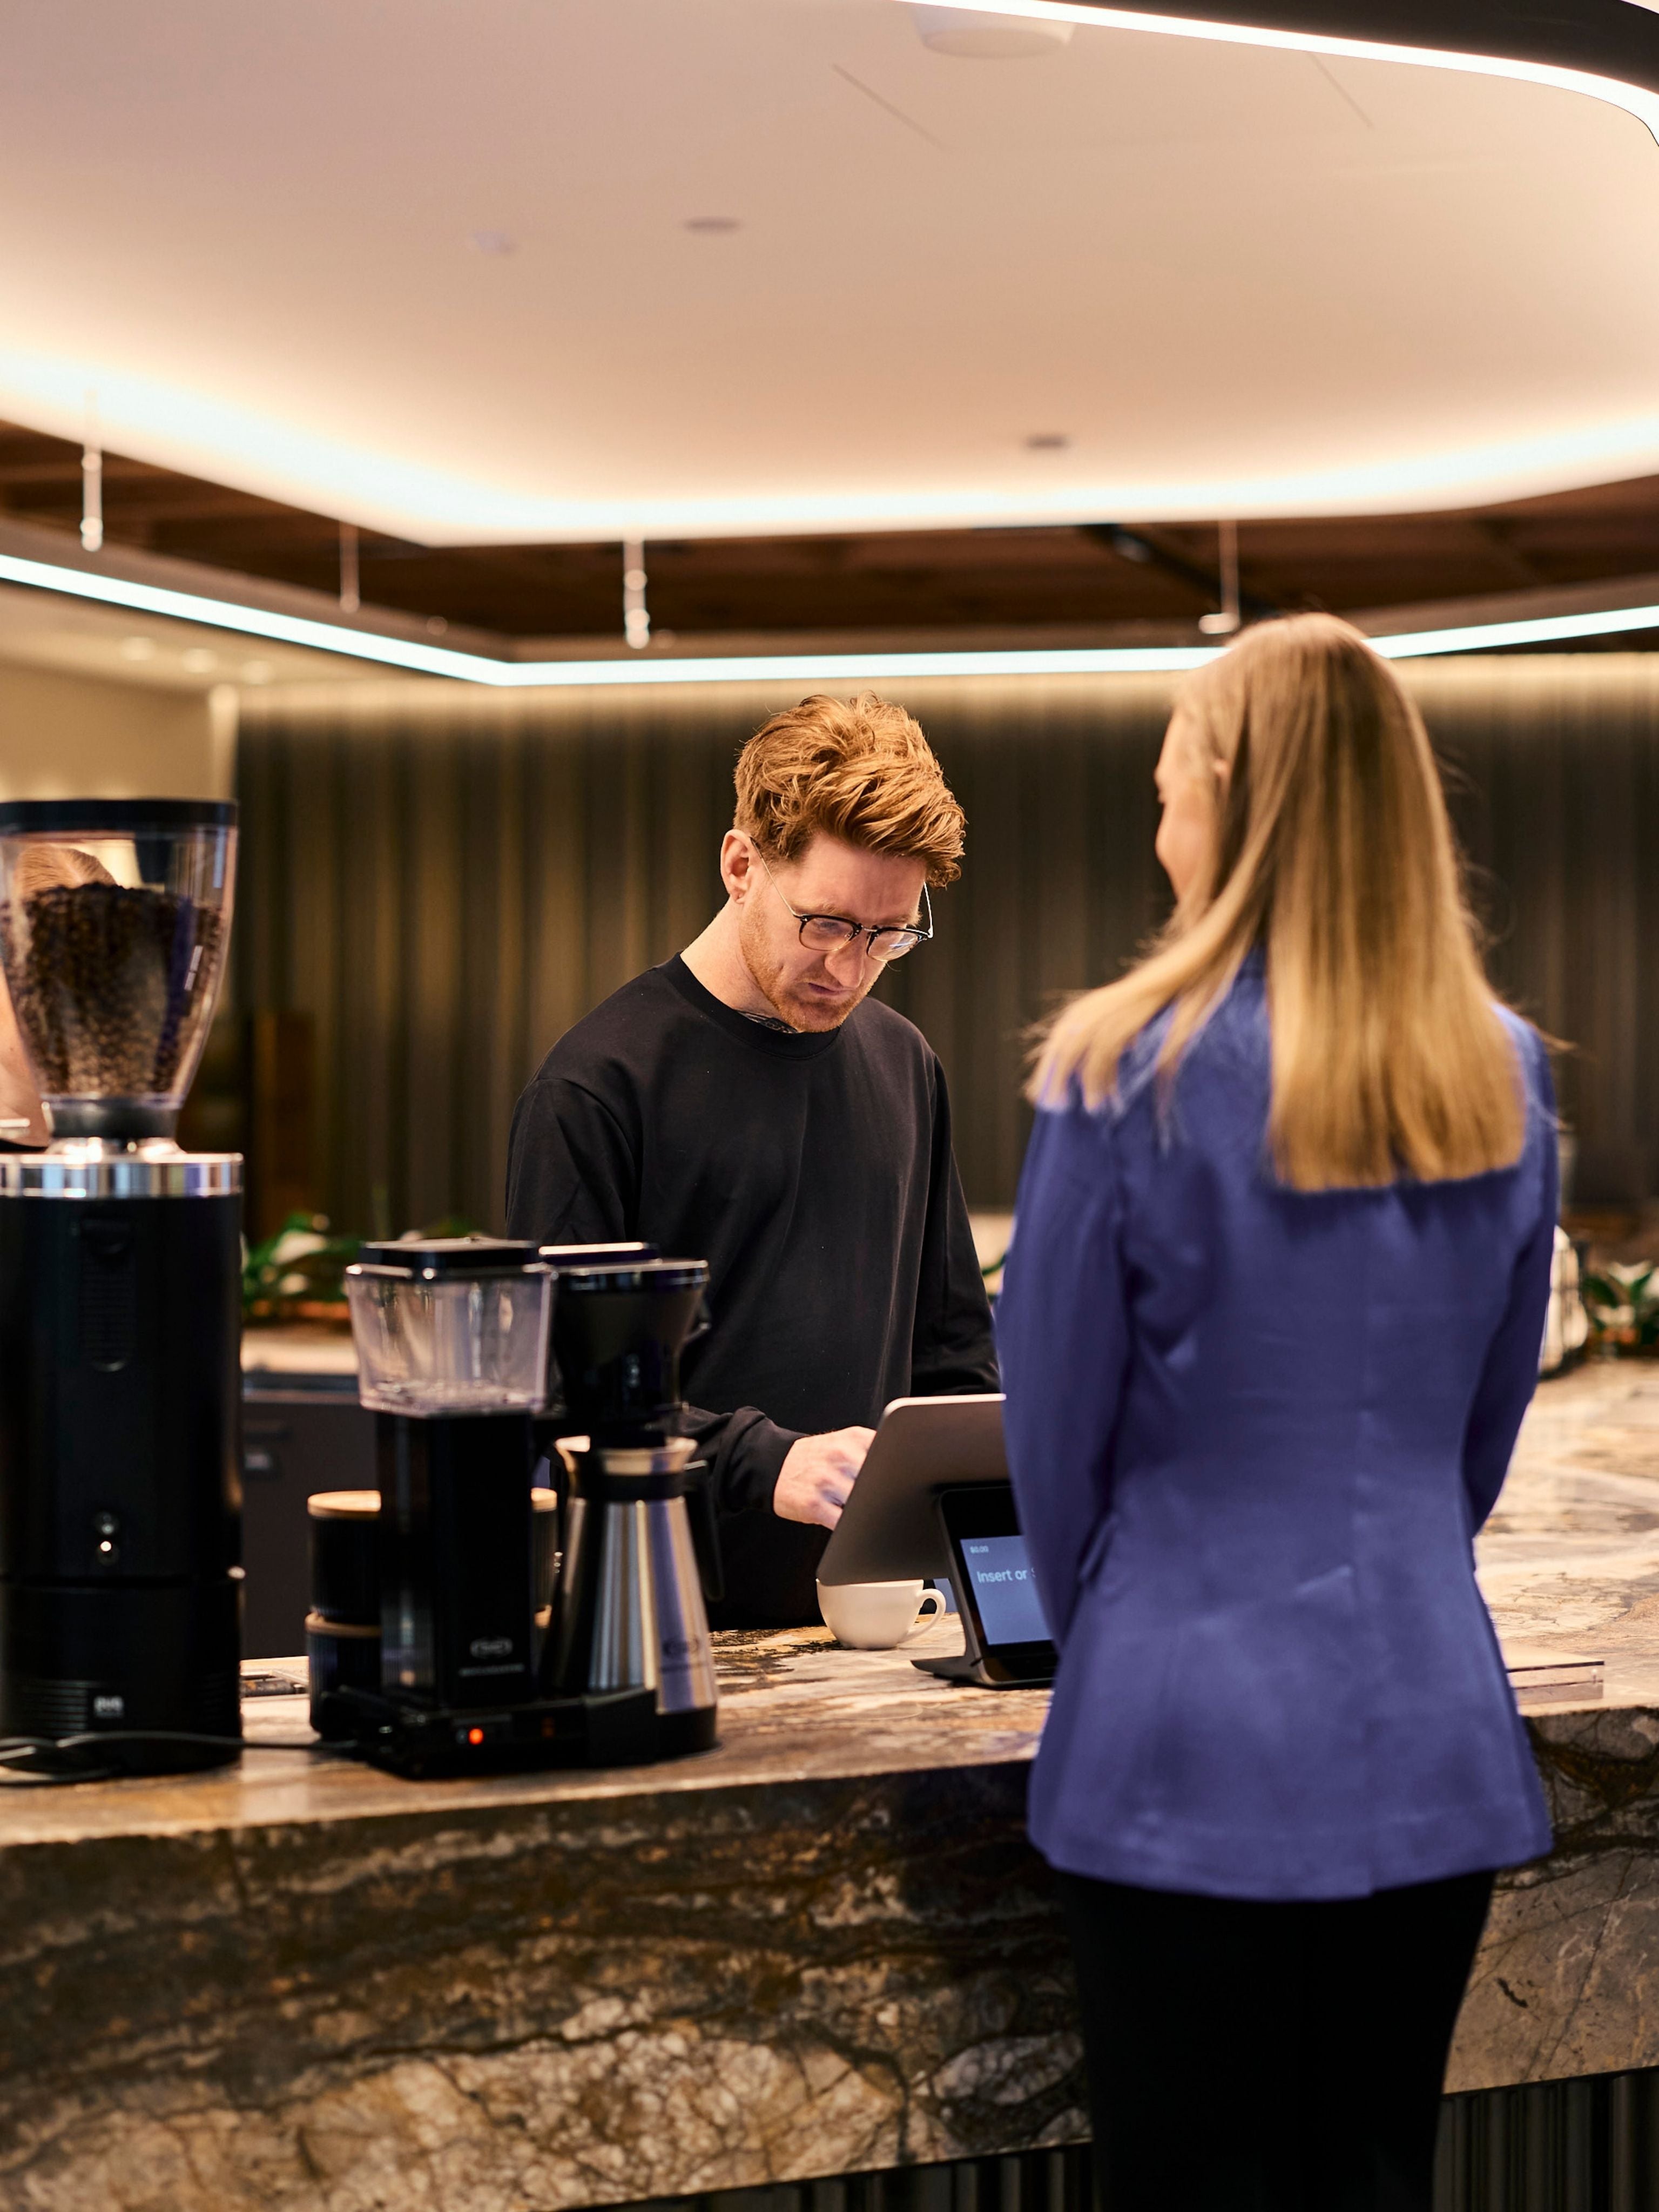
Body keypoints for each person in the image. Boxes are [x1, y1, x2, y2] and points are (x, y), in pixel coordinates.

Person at [995, 615, 1555, 2212]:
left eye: (1171, 789)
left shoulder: (1123, 1071)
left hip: (1181, 1742)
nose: (1158, 826)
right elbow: (1479, 1442)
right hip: (1430, 1735)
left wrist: (1146, 1602)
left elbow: (1055, 1454)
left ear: (1237, 806)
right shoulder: (1501, 1077)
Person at [506, 692, 997, 1628]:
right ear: (741, 866)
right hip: (659, 1627)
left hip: (882, 1633)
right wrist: (765, 1462)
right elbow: (559, 1399)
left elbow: (953, 1358)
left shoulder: (904, 1063)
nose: (850, 969)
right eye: (826, 924)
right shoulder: (599, 1085)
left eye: (889, 935)